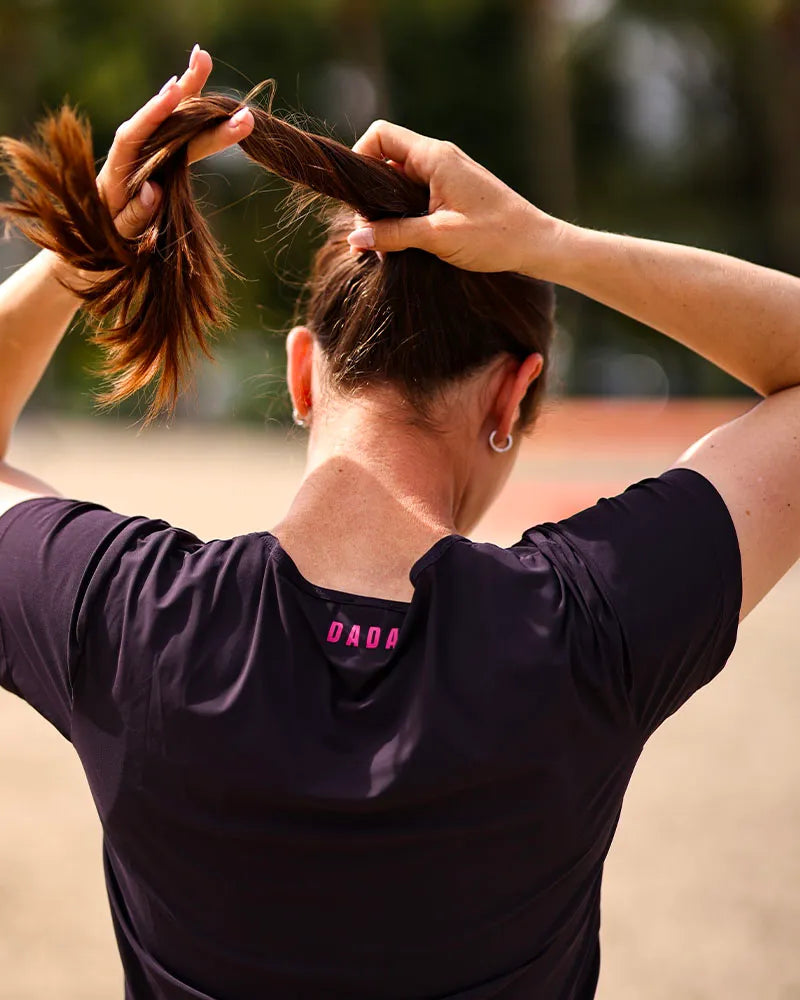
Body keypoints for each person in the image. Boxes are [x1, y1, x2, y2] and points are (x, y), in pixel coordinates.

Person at [0, 44, 796, 1000]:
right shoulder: (587, 633)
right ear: (512, 401)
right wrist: (549, 242)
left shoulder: (130, 619)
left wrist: (75, 258)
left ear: (302, 373)